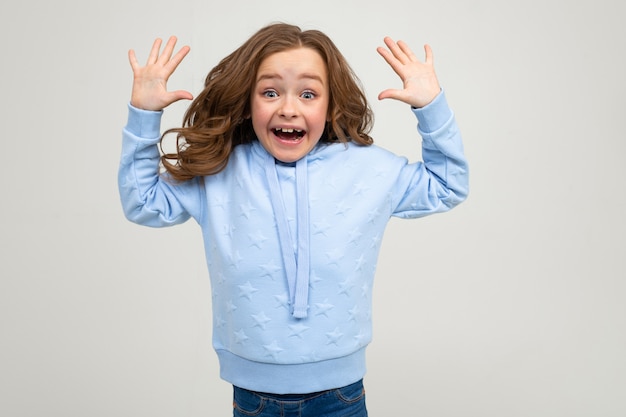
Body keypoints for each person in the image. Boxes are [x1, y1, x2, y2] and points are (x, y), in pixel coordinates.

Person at [119, 22, 468, 417]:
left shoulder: (367, 170)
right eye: (270, 92)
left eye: (308, 93)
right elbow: (142, 202)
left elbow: (447, 185)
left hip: (341, 396)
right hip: (253, 396)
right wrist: (144, 116)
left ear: (330, 103)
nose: (288, 108)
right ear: (248, 102)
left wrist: (431, 106)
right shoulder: (219, 172)